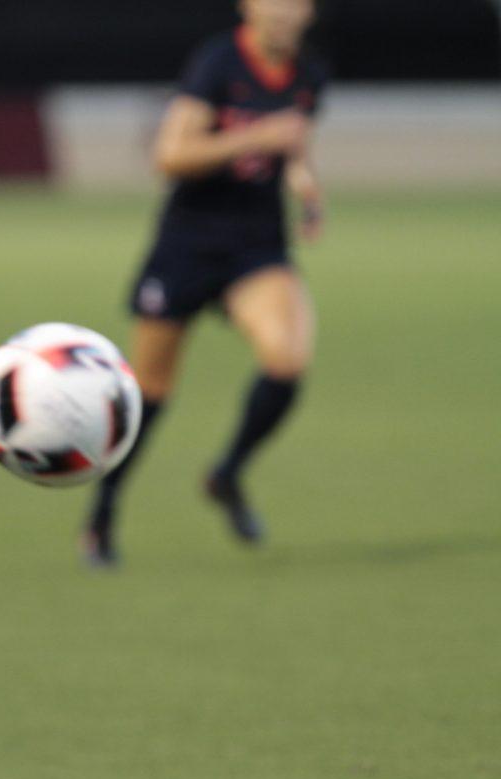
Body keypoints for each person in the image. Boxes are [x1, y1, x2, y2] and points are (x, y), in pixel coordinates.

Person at [83, 0, 328, 566]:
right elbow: (171, 156)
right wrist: (256, 137)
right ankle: (103, 512)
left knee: (287, 361)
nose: (284, 11)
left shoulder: (311, 72)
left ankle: (227, 473)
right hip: (189, 244)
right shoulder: (218, 63)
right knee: (150, 390)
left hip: (257, 246)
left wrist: (307, 190)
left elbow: (293, 149)